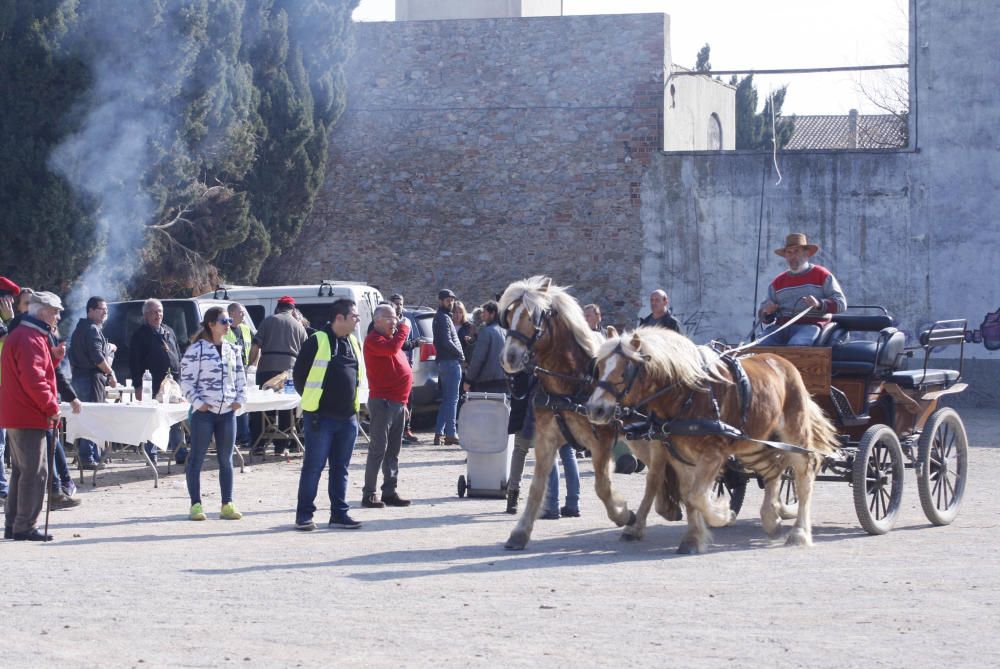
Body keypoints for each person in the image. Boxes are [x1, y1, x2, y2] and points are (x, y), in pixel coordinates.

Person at [293, 299, 366, 531]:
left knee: (341, 468)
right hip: (320, 418)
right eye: (354, 316)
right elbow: (299, 376)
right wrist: (313, 402)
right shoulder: (317, 340)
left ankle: (339, 514)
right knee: (313, 467)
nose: (358, 320)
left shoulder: (354, 342)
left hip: (348, 418)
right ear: (339, 318)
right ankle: (304, 515)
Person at [1, 291, 64, 541]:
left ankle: (14, 523)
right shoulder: (30, 338)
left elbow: (35, 373)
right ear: (42, 312)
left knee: (21, 471)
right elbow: (34, 380)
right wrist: (51, 407)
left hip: (18, 411)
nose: (58, 316)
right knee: (36, 472)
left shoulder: (25, 335)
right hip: (28, 413)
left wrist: (54, 360)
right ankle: (25, 525)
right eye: (55, 311)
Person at [179, 307, 246, 521]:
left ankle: (227, 503)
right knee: (196, 458)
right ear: (211, 324)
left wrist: (240, 400)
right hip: (204, 414)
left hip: (227, 413)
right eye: (224, 321)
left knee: (226, 459)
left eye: (229, 321)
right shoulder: (196, 350)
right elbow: (186, 381)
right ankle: (196, 504)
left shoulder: (232, 349)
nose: (228, 324)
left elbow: (240, 378)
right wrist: (199, 404)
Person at [361, 304, 412, 509]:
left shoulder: (391, 340)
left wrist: (405, 403)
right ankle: (369, 493)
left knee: (393, 450)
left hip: (398, 402)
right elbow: (391, 349)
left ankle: (389, 491)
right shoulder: (374, 340)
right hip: (382, 401)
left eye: (397, 318)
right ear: (377, 320)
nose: (395, 322)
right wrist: (404, 328)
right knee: (378, 449)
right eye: (391, 318)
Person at [758, 232, 847, 346]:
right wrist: (767, 312)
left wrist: (819, 304)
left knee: (797, 345)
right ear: (785, 256)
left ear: (807, 253)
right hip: (781, 327)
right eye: (789, 252)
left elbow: (841, 303)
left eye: (796, 251)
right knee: (758, 346)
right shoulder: (777, 282)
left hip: (810, 325)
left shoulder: (822, 275)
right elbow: (763, 316)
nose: (792, 256)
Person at [249, 296, 307, 454]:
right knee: (286, 406)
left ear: (278, 307)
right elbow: (305, 353)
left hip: (266, 369)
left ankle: (259, 444)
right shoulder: (299, 326)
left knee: (262, 406)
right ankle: (281, 446)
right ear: (292, 309)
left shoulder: (268, 321)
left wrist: (250, 365)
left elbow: (255, 346)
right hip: (289, 372)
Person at [129, 298, 183, 464]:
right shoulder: (140, 335)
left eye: (159, 311)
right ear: (145, 315)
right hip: (151, 383)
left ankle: (180, 452)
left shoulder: (169, 331)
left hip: (172, 383)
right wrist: (138, 385)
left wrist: (180, 378)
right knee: (153, 419)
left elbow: (177, 355)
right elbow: (135, 362)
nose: (157, 315)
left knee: (175, 418)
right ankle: (151, 454)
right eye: (153, 312)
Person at [68, 296, 117, 470]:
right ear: (90, 310)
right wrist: (110, 373)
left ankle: (87, 456)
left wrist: (108, 347)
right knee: (91, 417)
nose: (105, 312)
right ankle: (88, 457)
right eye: (101, 308)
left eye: (106, 309)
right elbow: (97, 357)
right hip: (91, 379)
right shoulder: (92, 329)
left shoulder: (81, 328)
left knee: (84, 417)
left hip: (80, 378)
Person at [432, 289, 464, 446]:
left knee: (447, 400)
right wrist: (461, 354)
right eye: (447, 300)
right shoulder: (443, 318)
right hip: (450, 361)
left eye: (452, 300)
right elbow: (446, 341)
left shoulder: (441, 317)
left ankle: (439, 432)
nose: (450, 303)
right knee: (452, 400)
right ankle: (451, 433)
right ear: (440, 301)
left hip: (445, 361)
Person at [389, 293, 419, 444]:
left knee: (409, 398)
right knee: (396, 399)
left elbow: (411, 341)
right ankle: (395, 430)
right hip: (394, 365)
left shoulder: (407, 320)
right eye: (396, 303)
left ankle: (407, 428)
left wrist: (411, 362)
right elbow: (399, 344)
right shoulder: (390, 323)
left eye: (400, 303)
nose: (399, 306)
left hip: (406, 365)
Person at [223, 302, 253, 453]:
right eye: (241, 312)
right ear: (232, 313)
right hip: (229, 372)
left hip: (244, 370)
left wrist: (253, 364)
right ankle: (233, 436)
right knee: (231, 404)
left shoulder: (246, 329)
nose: (243, 315)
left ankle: (245, 435)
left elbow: (254, 347)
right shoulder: (225, 330)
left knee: (243, 401)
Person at [463, 301, 507, 394]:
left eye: (485, 312)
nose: (482, 315)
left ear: (493, 313)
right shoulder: (504, 331)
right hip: (504, 382)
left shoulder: (486, 332)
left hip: (487, 384)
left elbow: (478, 359)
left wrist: (468, 380)